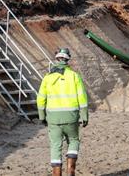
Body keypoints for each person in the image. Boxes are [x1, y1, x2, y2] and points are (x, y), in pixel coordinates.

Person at [37, 48, 89, 176]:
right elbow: (82, 98)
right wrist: (84, 116)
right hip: (71, 117)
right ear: (68, 59)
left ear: (57, 59)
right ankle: (70, 170)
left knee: (55, 146)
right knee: (74, 140)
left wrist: (42, 116)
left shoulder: (47, 78)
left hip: (53, 119)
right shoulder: (74, 76)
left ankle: (56, 173)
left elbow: (41, 99)